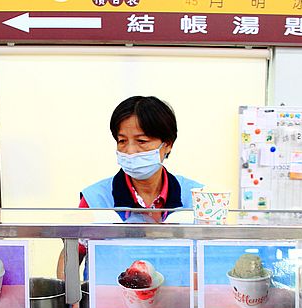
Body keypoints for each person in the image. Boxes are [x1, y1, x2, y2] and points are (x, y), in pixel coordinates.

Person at [57, 96, 203, 277]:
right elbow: (71, 254)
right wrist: (71, 299)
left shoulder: (197, 197)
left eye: (141, 141)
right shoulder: (96, 198)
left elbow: (213, 256)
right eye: (122, 141)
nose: (130, 151)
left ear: (168, 144)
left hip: (176, 302)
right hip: (108, 303)